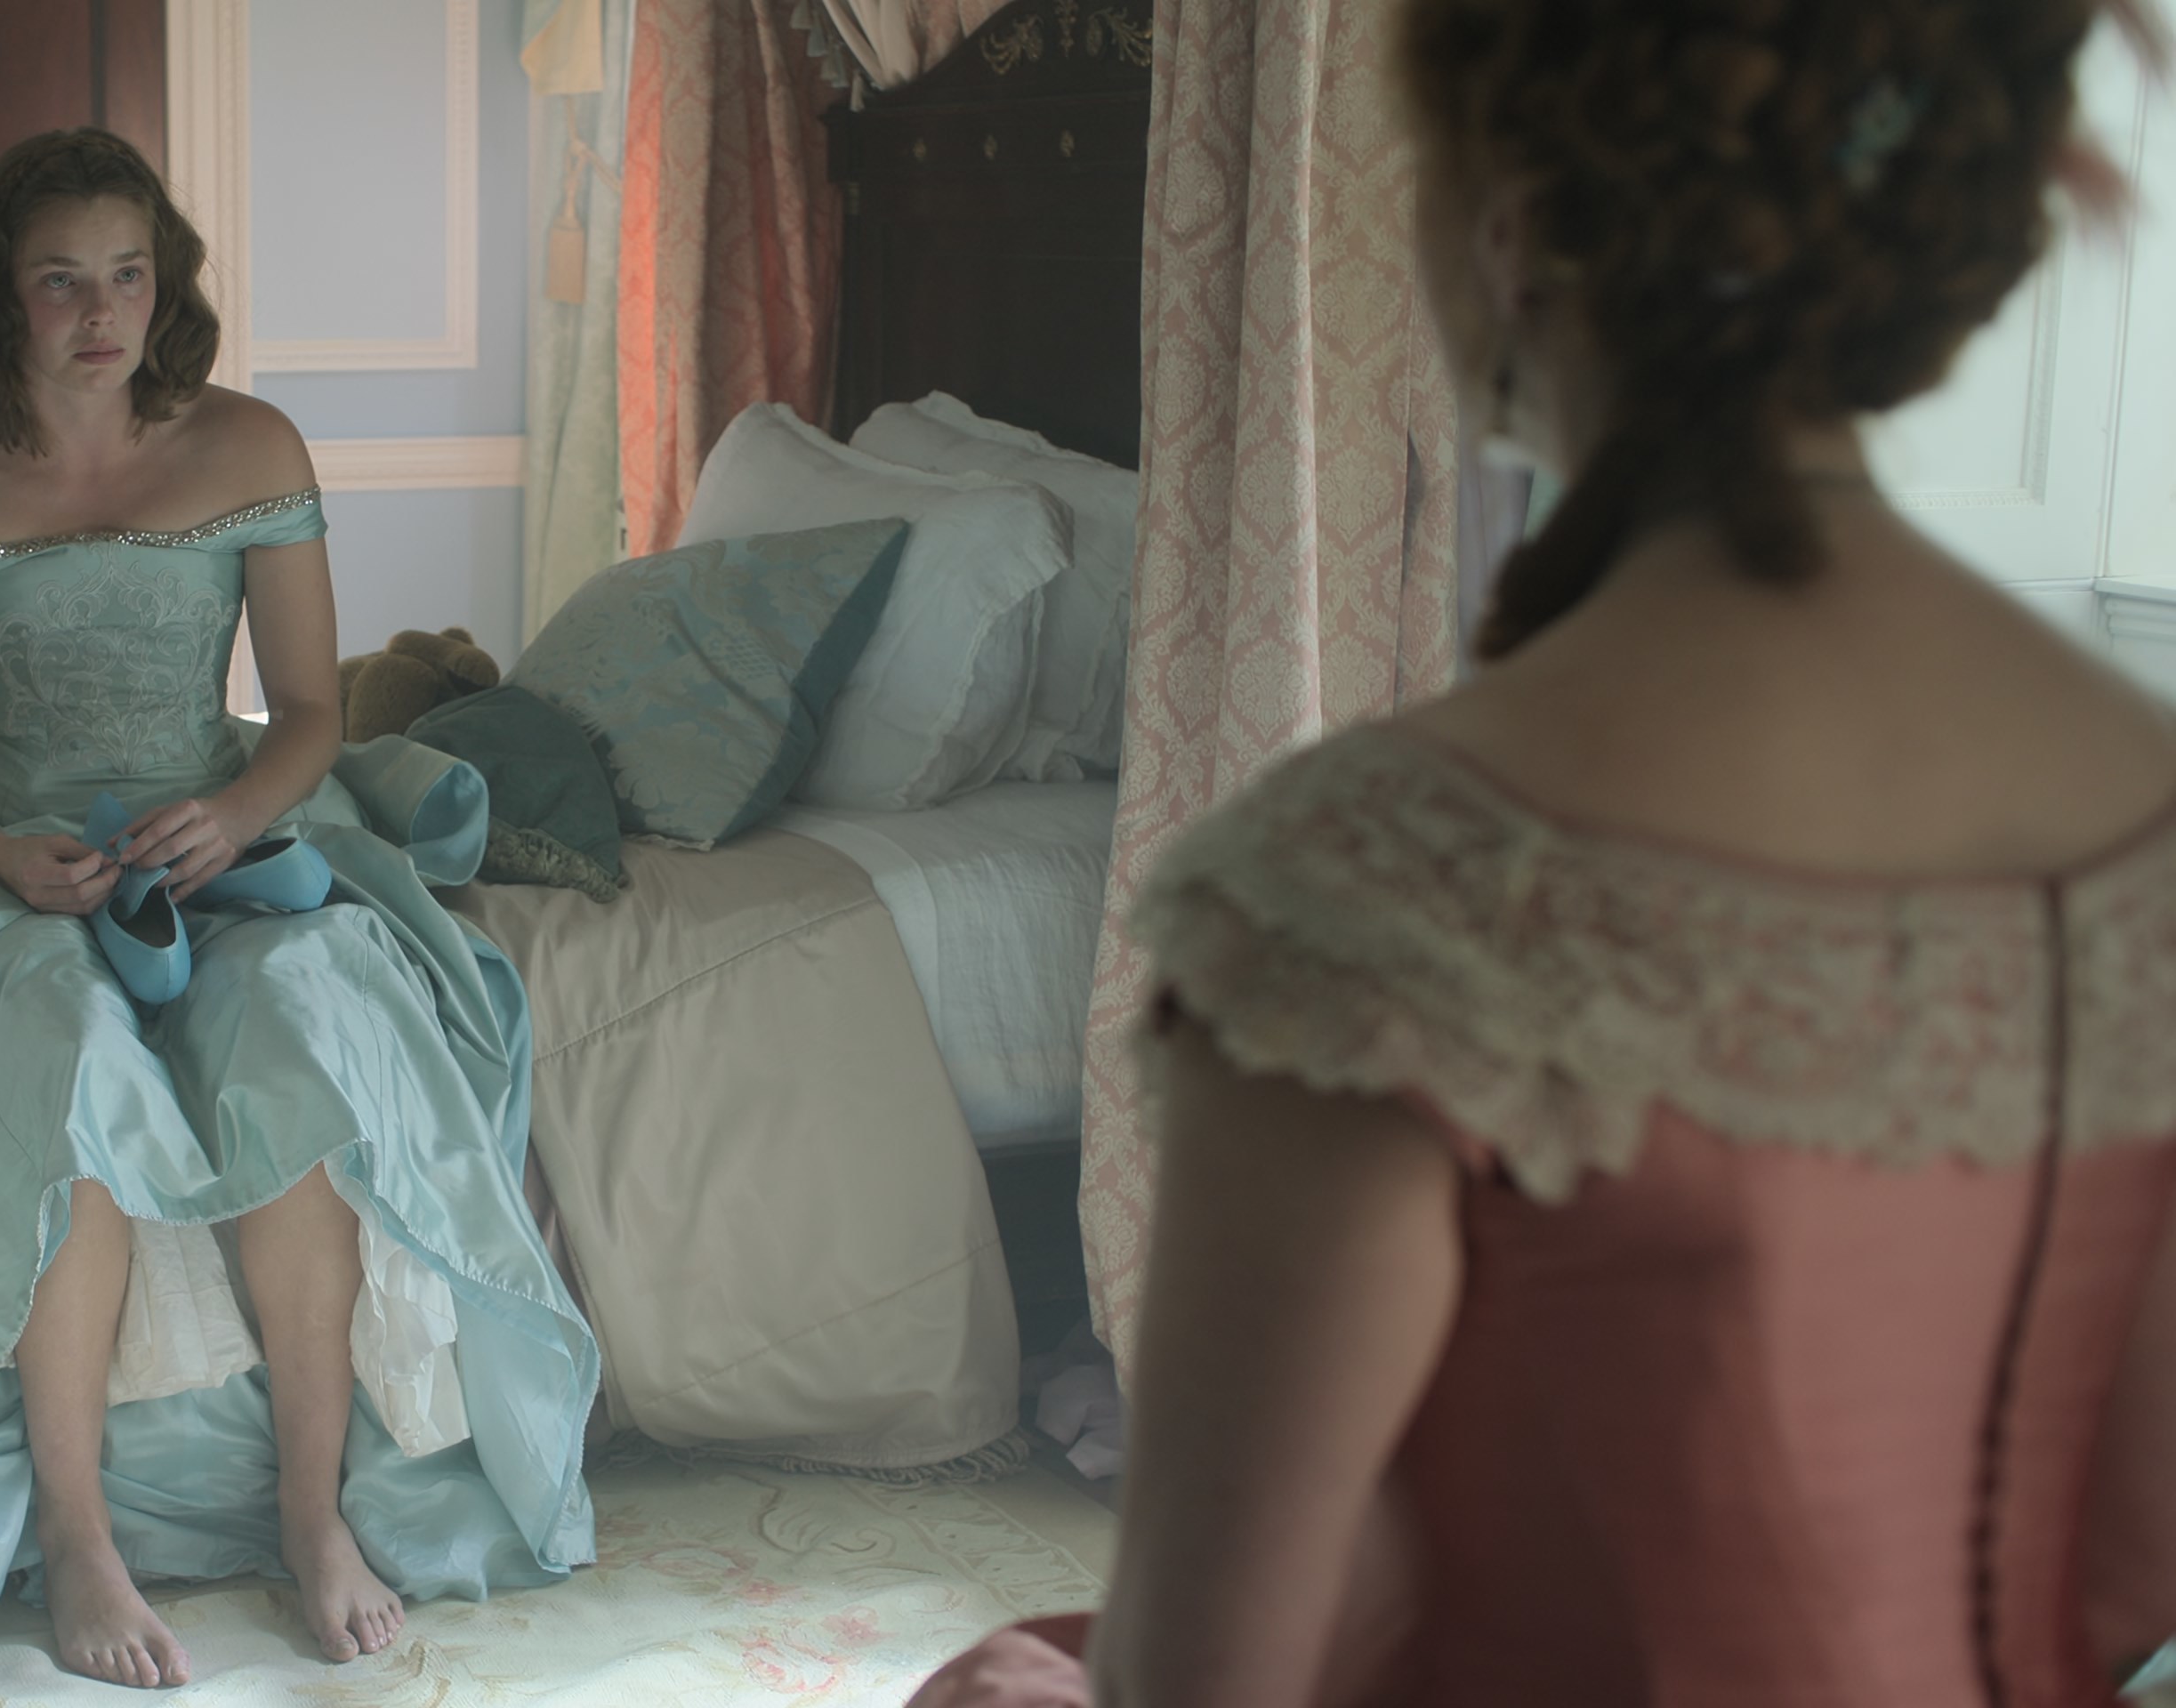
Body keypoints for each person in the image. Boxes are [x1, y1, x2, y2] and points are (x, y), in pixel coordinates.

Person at [912, 2, 2176, 1704]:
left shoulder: (1372, 889)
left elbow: (1210, 1679)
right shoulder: (2144, 816)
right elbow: (2133, 1558)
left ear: (1505, 231)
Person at [0, 128, 596, 1688]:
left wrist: (233, 819)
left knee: (302, 1030)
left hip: (227, 832)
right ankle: (79, 1538)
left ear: (165, 285)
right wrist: (4, 858)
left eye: (129, 276)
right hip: (11, 851)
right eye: (61, 282)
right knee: (57, 1052)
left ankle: (312, 1513)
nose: (102, 313)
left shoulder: (250, 448)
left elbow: (309, 712)